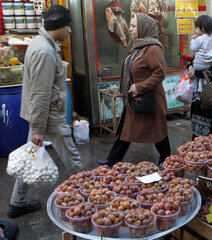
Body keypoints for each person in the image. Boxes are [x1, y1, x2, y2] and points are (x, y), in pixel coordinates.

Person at [7, 5, 84, 218]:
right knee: (72, 157)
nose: (69, 29)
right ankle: (90, 195)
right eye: (67, 25)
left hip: (40, 115)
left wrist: (37, 127)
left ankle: (17, 202)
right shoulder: (44, 50)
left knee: (31, 156)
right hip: (48, 116)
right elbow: (41, 93)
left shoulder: (42, 43)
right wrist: (40, 128)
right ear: (58, 25)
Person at [97, 13, 171, 167]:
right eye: (130, 25)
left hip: (149, 100)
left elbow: (159, 73)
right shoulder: (139, 47)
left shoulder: (153, 48)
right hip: (136, 99)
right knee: (126, 131)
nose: (130, 29)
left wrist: (139, 87)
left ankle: (166, 159)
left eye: (133, 26)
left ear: (143, 28)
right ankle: (111, 161)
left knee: (158, 133)